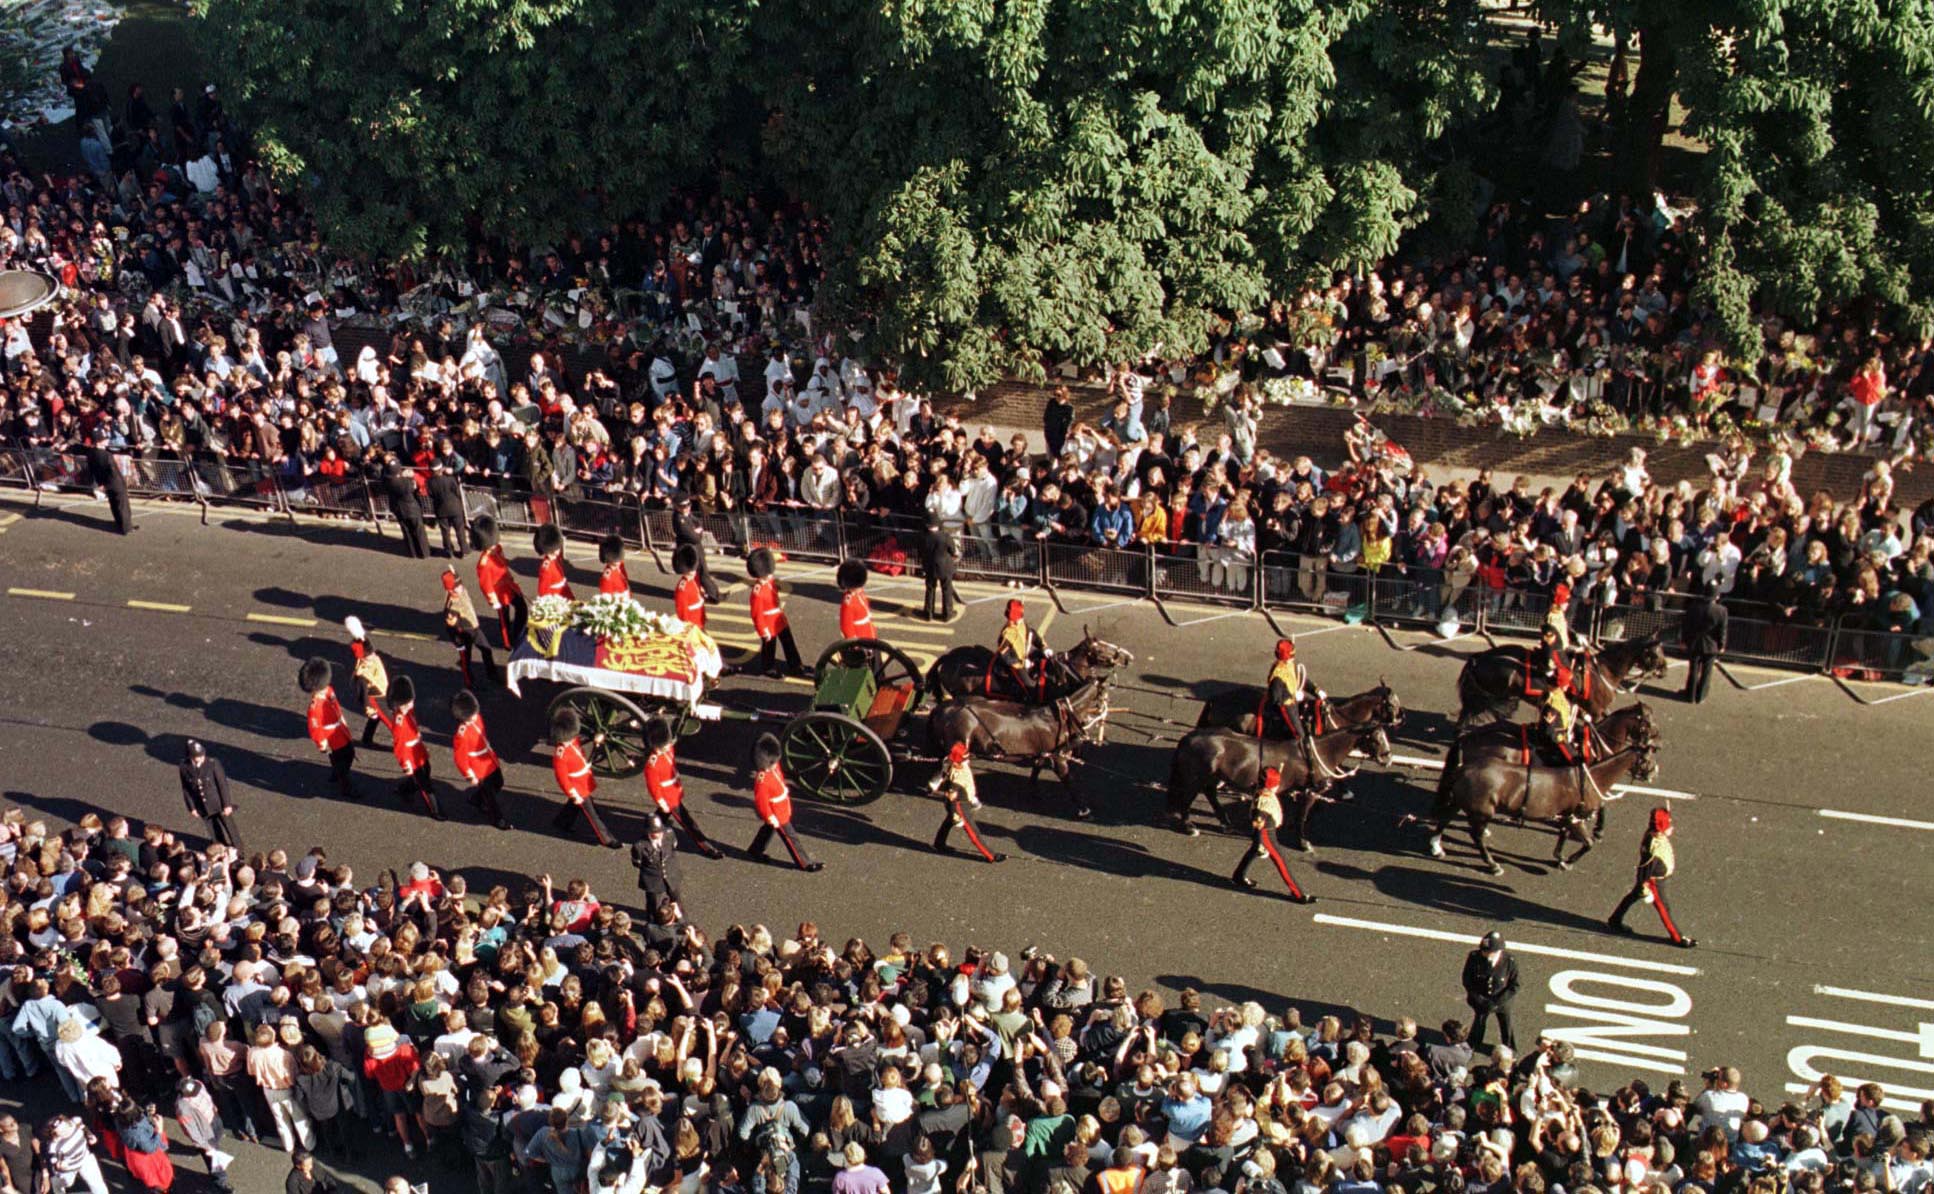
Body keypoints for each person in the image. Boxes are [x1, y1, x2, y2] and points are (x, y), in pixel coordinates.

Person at [1608, 807, 1697, 947]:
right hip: (1654, 882)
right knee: (1663, 908)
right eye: (1668, 825)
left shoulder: (1653, 835)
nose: (1671, 828)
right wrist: (1643, 885)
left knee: (1633, 896)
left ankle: (1615, 919)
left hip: (1654, 879)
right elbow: (1645, 869)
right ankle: (1678, 937)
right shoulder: (1654, 847)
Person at [1230, 767, 1315, 903]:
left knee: (1254, 851)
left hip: (1266, 831)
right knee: (1281, 861)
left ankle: (1238, 876)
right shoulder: (1264, 801)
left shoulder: (1263, 792)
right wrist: (1260, 841)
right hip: (1266, 834)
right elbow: (1258, 821)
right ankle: (1298, 894)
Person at [643, 715, 722, 858]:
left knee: (661, 816)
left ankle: (650, 829)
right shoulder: (652, 764)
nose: (668, 745)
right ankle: (706, 847)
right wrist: (661, 801)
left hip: (674, 790)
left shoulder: (667, 749)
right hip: (668, 797)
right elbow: (653, 786)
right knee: (688, 823)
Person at [749, 732, 822, 871]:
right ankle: (804, 863)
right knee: (791, 837)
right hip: (777, 813)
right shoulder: (762, 780)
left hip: (782, 806)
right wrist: (770, 817)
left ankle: (755, 850)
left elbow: (779, 779)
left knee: (767, 831)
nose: (775, 764)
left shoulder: (773, 766)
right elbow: (762, 803)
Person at [377, 674, 444, 821]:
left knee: (426, 772)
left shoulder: (408, 712)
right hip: (411, 757)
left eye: (410, 702)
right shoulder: (399, 722)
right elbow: (400, 747)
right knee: (426, 786)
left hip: (419, 750)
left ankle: (404, 790)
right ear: (397, 704)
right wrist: (406, 764)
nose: (410, 705)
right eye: (406, 704)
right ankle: (435, 810)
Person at [550, 707, 620, 848]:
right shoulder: (560, 754)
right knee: (592, 814)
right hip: (577, 786)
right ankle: (606, 838)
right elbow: (563, 779)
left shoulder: (572, 739)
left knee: (574, 806)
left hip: (582, 779)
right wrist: (573, 793)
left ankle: (562, 822)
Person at [929, 741, 1004, 862]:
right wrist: (956, 814)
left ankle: (939, 844)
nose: (966, 760)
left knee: (948, 823)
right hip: (960, 805)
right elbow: (951, 797)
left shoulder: (958, 766)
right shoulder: (957, 778)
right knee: (973, 832)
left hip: (965, 800)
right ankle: (991, 856)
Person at [299, 657, 358, 802]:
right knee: (346, 757)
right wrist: (322, 744)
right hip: (331, 737)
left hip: (340, 729)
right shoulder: (315, 707)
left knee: (344, 755)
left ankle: (336, 773)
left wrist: (342, 719)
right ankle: (345, 786)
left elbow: (336, 706)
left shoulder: (329, 690)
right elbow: (315, 729)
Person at [450, 690, 510, 830]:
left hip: (489, 759)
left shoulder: (477, 718)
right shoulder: (461, 734)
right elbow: (460, 757)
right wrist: (469, 774)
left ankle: (476, 799)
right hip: (478, 768)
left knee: (498, 783)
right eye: (470, 715)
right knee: (491, 798)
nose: (474, 717)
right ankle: (498, 820)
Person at [472, 515, 529, 649]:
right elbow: (486, 585)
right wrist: (494, 601)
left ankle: (518, 631)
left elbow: (503, 565)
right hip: (498, 591)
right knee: (504, 619)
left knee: (522, 607)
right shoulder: (483, 563)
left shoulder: (498, 548)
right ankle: (508, 642)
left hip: (509, 585)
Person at [747, 547, 805, 677]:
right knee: (769, 647)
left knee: (788, 642)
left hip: (778, 618)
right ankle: (769, 668)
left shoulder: (770, 582)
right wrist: (763, 631)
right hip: (768, 623)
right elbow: (757, 615)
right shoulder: (757, 592)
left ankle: (795, 664)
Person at [1461, 931, 1519, 1051]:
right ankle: (1474, 1043)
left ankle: (1508, 1047)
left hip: (1502, 1000)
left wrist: (1497, 1002)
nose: (1483, 953)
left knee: (1506, 1024)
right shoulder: (1474, 957)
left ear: (1498, 952)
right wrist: (1478, 998)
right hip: (1481, 999)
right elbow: (1467, 979)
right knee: (1479, 1021)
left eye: (1487, 951)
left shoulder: (1510, 961)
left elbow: (1515, 985)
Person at [179, 739, 240, 848]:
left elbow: (222, 785)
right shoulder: (184, 767)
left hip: (218, 803)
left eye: (202, 755)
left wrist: (226, 804)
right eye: (199, 756)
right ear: (191, 756)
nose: (202, 758)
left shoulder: (212, 763)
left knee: (231, 829)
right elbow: (186, 788)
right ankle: (221, 849)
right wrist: (191, 807)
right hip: (202, 806)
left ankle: (239, 852)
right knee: (213, 831)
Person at [441, 567, 495, 688]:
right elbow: (451, 625)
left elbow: (456, 579)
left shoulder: (461, 590)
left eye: (460, 585)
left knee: (486, 650)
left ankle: (492, 674)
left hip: (474, 628)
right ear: (450, 591)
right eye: (457, 587)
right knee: (466, 661)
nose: (461, 588)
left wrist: (453, 572)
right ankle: (469, 683)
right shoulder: (451, 608)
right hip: (463, 634)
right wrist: (459, 643)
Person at [344, 615, 390, 747]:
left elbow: (363, 641)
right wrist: (368, 708)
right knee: (390, 722)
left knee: (375, 719)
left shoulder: (371, 658)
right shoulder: (362, 674)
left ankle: (366, 738)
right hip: (377, 697)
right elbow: (363, 695)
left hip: (381, 691)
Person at [1681, 580, 1727, 704]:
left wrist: (1684, 641)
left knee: (1693, 670)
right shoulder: (1721, 611)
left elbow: (1686, 626)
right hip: (1711, 645)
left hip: (1694, 643)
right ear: (1717, 596)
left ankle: (1690, 695)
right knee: (1707, 672)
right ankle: (1701, 696)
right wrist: (1721, 644)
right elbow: (1722, 630)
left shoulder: (1693, 607)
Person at [630, 810, 682, 917]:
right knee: (654, 905)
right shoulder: (640, 846)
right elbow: (637, 863)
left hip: (671, 874)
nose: (658, 834)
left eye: (660, 831)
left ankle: (681, 921)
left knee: (676, 900)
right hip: (653, 880)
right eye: (655, 832)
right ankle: (653, 924)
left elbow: (673, 847)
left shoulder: (669, 834)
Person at [673, 493, 722, 601]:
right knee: (698, 573)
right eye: (683, 506)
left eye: (688, 505)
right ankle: (714, 596)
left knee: (701, 572)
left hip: (695, 548)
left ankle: (707, 593)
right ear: (676, 507)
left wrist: (697, 531)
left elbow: (699, 523)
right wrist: (697, 532)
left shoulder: (687, 515)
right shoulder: (679, 519)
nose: (687, 508)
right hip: (690, 549)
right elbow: (694, 538)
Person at [84, 429, 132, 534]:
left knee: (114, 504)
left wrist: (101, 484)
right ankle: (126, 528)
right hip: (115, 483)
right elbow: (113, 471)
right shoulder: (107, 455)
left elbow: (92, 470)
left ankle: (118, 524)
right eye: (105, 439)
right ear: (99, 442)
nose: (107, 441)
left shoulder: (90, 454)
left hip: (104, 482)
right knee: (122, 505)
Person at [993, 598, 1044, 697]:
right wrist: (1023, 664)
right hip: (1015, 666)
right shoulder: (1007, 634)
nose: (1021, 619)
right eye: (1019, 617)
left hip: (1025, 657)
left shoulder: (1021, 624)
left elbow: (1031, 635)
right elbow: (1007, 657)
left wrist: (1043, 646)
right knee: (1030, 687)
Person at [384, 461, 430, 559]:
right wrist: (410, 476)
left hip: (398, 508)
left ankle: (412, 552)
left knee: (406, 530)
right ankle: (424, 552)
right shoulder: (404, 482)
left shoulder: (387, 481)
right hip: (411, 508)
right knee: (418, 530)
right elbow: (414, 487)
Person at [920, 517, 961, 621]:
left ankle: (928, 613)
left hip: (929, 566)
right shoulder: (945, 537)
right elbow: (952, 551)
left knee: (930, 589)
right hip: (945, 567)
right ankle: (947, 614)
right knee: (947, 590)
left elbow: (920, 552)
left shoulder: (923, 537)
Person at [426, 459, 467, 559]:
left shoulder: (429, 482)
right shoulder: (450, 479)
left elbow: (430, 495)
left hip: (440, 509)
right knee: (459, 530)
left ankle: (448, 550)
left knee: (445, 531)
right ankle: (463, 550)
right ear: (441, 469)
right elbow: (457, 492)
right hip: (455, 507)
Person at [836, 559, 876, 640]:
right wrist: (854, 643)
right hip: (859, 637)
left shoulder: (860, 594)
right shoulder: (848, 603)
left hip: (868, 633)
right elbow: (846, 626)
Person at [671, 543, 707, 628]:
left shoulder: (695, 578)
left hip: (699, 619)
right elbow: (682, 613)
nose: (694, 573)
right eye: (691, 572)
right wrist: (687, 627)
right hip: (692, 623)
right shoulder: (682, 589)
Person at [535, 524, 574, 599]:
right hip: (556, 598)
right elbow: (543, 591)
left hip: (565, 593)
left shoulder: (556, 559)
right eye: (555, 549)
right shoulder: (546, 567)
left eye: (558, 548)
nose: (558, 551)